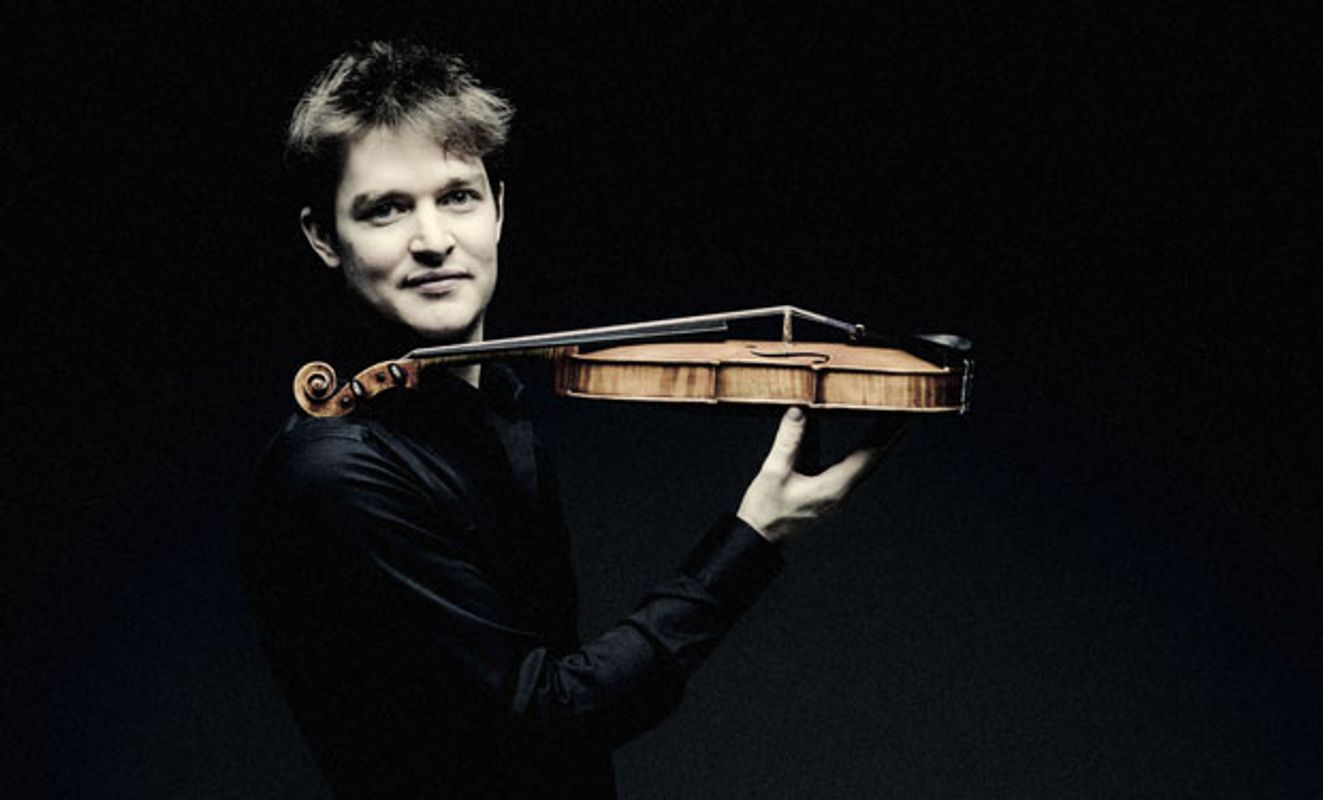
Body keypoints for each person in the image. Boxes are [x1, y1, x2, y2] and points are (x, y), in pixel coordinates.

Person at [240, 39, 907, 798]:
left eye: (457, 197)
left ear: (498, 209)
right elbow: (544, 718)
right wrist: (754, 537)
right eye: (386, 209)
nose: (432, 241)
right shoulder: (335, 473)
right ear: (324, 236)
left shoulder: (495, 418)